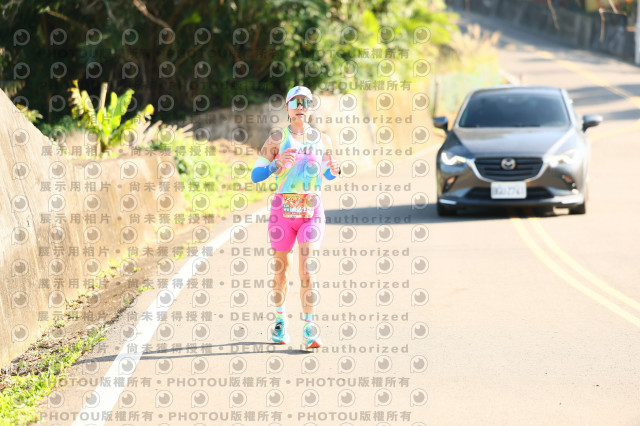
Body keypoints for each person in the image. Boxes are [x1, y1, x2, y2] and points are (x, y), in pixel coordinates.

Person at [250, 85, 340, 349]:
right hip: (283, 213)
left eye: (306, 102)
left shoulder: (323, 140)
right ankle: (280, 320)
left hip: (311, 211)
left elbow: (327, 174)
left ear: (311, 108)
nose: (301, 107)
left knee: (308, 270)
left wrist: (334, 170)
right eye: (295, 102)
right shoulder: (277, 139)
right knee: (281, 271)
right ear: (287, 108)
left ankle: (310, 329)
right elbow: (255, 175)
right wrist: (275, 164)